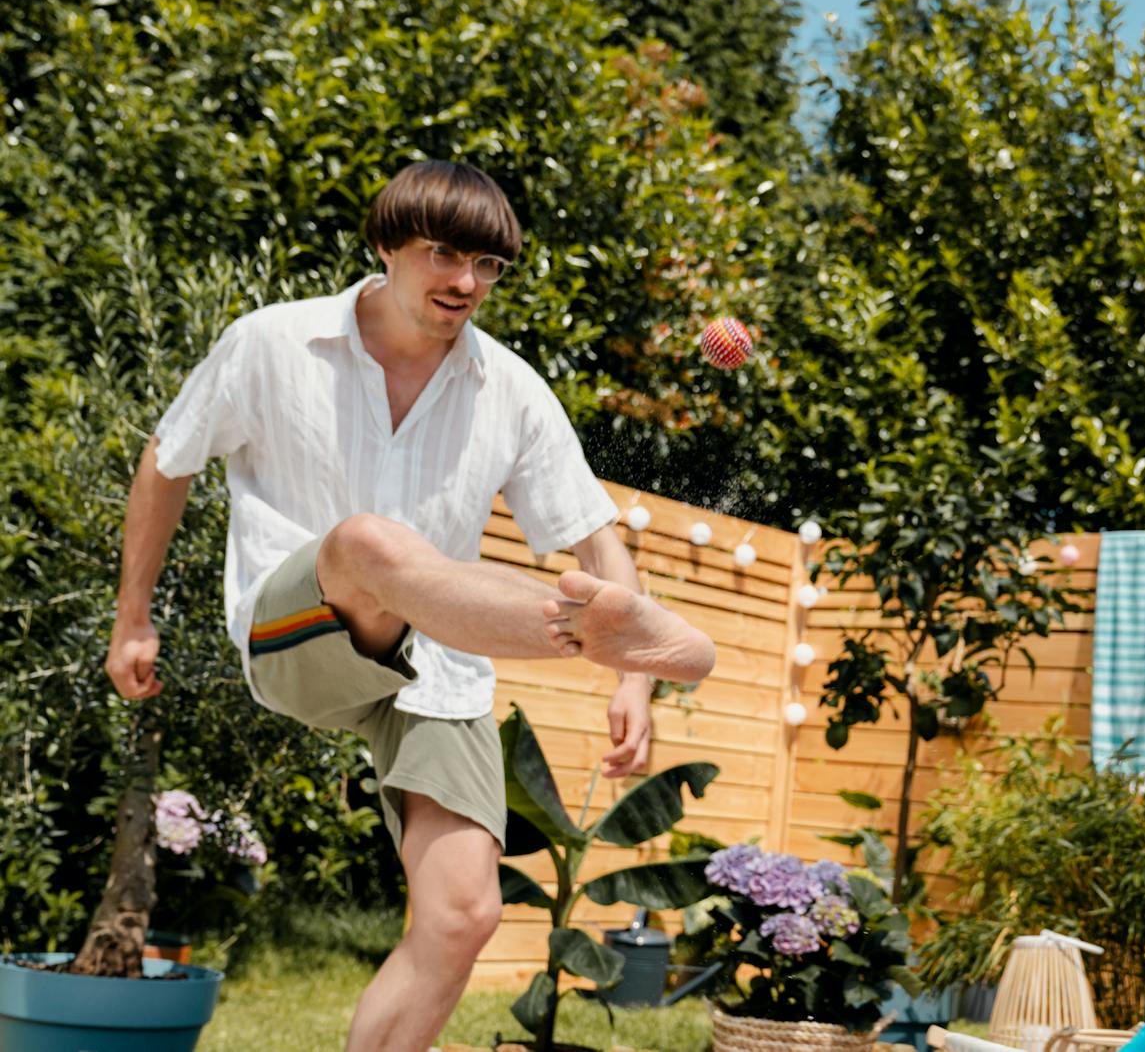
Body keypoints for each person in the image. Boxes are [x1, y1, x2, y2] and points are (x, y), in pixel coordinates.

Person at [103, 160, 717, 1052]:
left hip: (437, 664)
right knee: (371, 544)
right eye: (445, 254)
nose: (467, 281)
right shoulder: (272, 343)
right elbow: (168, 460)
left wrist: (636, 681)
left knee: (464, 913)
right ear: (387, 245)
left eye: (489, 266)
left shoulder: (511, 389)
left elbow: (595, 539)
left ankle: (607, 638)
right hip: (299, 631)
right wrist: (134, 616)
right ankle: (589, 635)